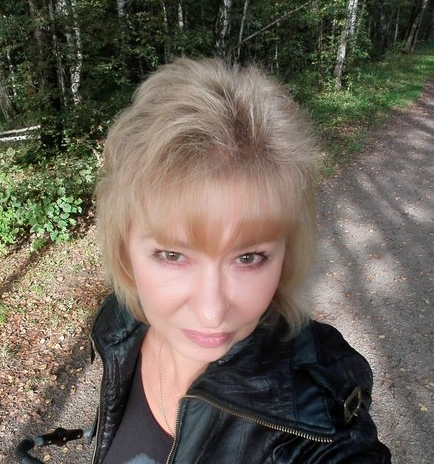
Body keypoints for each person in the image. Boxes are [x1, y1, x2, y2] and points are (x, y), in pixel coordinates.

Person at [92, 58, 391, 463]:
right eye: (173, 255)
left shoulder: (317, 425)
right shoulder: (121, 326)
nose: (212, 312)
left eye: (248, 257)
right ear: (124, 247)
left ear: (286, 254)